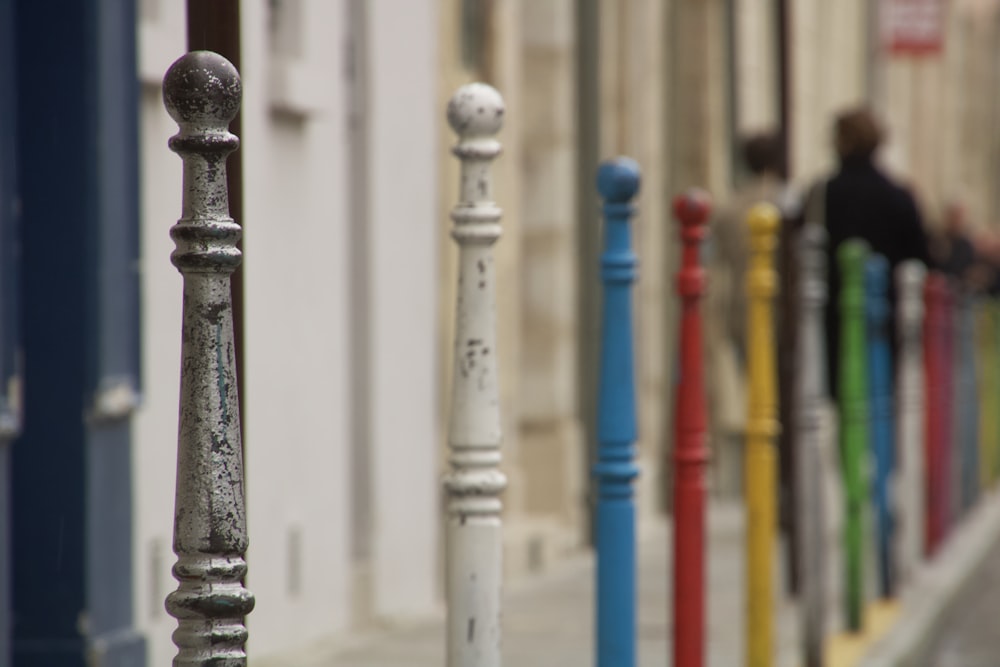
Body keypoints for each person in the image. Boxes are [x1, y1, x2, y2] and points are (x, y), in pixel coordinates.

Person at [819, 108, 931, 398]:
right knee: (879, 398)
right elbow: (920, 258)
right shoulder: (898, 195)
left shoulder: (824, 194)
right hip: (886, 317)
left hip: (834, 316)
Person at [706, 131, 786, 498]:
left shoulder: (731, 207)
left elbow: (719, 258)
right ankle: (779, 479)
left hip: (741, 310)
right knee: (783, 395)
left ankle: (763, 481)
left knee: (756, 390)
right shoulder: (786, 201)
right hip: (782, 310)